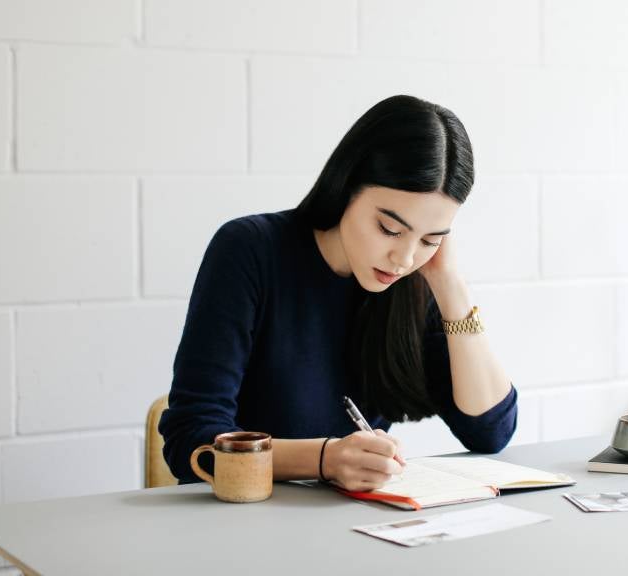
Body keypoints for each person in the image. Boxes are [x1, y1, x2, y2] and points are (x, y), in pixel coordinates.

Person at [159, 95, 517, 492]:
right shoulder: (250, 250)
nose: (404, 258)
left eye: (431, 239)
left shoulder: (412, 278)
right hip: (244, 525)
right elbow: (191, 442)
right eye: (389, 229)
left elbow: (490, 432)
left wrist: (450, 284)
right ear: (347, 186)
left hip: (355, 531)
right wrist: (326, 459)